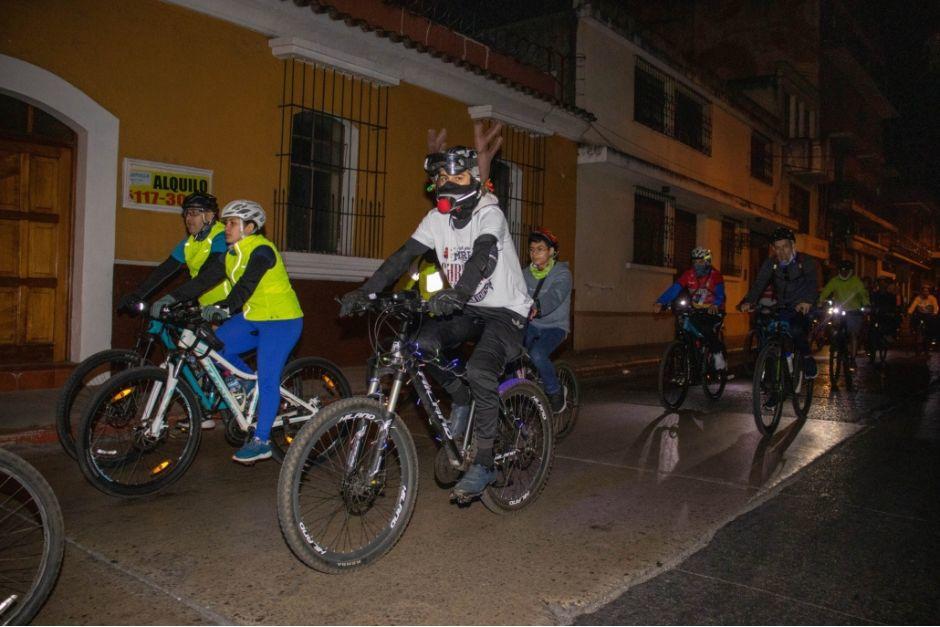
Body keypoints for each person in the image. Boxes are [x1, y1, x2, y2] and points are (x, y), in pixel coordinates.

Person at [339, 145, 531, 502]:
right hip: (470, 306)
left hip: (506, 310)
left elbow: (482, 256)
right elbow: (403, 256)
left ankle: (485, 463)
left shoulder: (490, 214)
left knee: (480, 370)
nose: (447, 184)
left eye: (456, 177)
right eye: (440, 178)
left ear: (475, 180)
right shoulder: (435, 220)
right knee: (419, 345)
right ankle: (459, 398)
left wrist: (458, 292)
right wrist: (366, 292)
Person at [151, 200, 303, 463]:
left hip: (282, 321)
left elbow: (246, 285)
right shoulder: (231, 255)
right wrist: (170, 298)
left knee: (268, 376)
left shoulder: (262, 251)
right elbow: (203, 281)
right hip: (254, 316)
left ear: (250, 227)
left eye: (232, 223)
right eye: (227, 222)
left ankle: (262, 440)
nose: (226, 228)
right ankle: (245, 385)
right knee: (211, 344)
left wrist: (223, 307)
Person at [117, 191, 229, 312]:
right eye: (186, 213)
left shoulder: (222, 236)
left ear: (209, 215)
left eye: (194, 213)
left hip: (227, 305)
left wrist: (175, 297)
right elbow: (165, 269)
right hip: (205, 305)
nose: (188, 218)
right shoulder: (189, 242)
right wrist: (138, 294)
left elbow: (208, 272)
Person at [739, 226, 819, 380]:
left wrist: (807, 301)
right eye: (777, 248)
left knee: (796, 330)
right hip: (782, 307)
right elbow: (759, 284)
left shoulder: (806, 262)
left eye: (785, 247)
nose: (782, 252)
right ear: (773, 249)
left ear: (793, 246)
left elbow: (813, 284)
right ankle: (772, 383)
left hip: (803, 308)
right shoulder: (771, 264)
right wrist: (748, 301)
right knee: (767, 333)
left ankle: (807, 358)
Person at [523, 228, 572, 413]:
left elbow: (555, 296)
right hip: (532, 325)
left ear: (551, 251)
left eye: (540, 249)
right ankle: (515, 389)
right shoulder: (525, 273)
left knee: (537, 354)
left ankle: (555, 390)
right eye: (532, 249)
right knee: (510, 350)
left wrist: (538, 306)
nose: (534, 253)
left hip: (555, 326)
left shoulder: (562, 274)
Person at [654, 247, 727, 370]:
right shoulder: (689, 275)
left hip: (713, 310)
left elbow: (720, 294)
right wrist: (661, 302)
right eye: (695, 262)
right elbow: (675, 288)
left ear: (707, 262)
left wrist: (716, 304)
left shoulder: (715, 275)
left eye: (700, 261)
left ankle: (717, 354)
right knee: (682, 326)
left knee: (706, 328)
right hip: (697, 309)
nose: (697, 265)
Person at [818, 260, 869, 369]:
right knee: (833, 325)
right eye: (841, 270)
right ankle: (835, 342)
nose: (843, 273)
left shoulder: (856, 282)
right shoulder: (835, 281)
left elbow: (863, 294)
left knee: (853, 334)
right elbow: (826, 291)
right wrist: (820, 300)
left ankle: (853, 359)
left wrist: (866, 304)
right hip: (839, 310)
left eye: (846, 270)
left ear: (850, 271)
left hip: (853, 312)